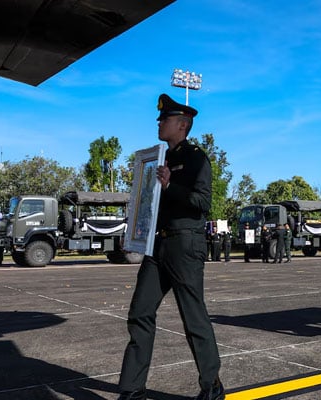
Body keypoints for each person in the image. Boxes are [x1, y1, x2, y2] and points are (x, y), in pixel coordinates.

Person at [117, 94, 224, 400]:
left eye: (164, 119)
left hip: (184, 244)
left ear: (182, 125)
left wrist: (169, 186)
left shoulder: (197, 159)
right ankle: (132, 390)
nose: (159, 122)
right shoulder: (160, 159)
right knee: (139, 312)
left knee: (193, 317)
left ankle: (211, 385)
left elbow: (202, 203)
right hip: (157, 245)